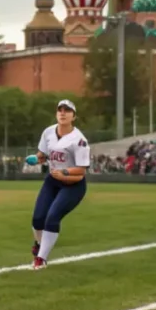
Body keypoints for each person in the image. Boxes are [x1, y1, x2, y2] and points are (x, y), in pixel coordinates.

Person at [28, 99, 91, 270]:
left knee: (52, 217)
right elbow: (43, 154)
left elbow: (81, 172)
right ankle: (39, 243)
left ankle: (41, 258)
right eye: (60, 110)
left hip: (73, 185)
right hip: (52, 181)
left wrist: (65, 172)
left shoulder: (79, 140)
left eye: (67, 110)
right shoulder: (48, 132)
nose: (63, 113)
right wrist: (37, 158)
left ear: (74, 116)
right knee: (38, 218)